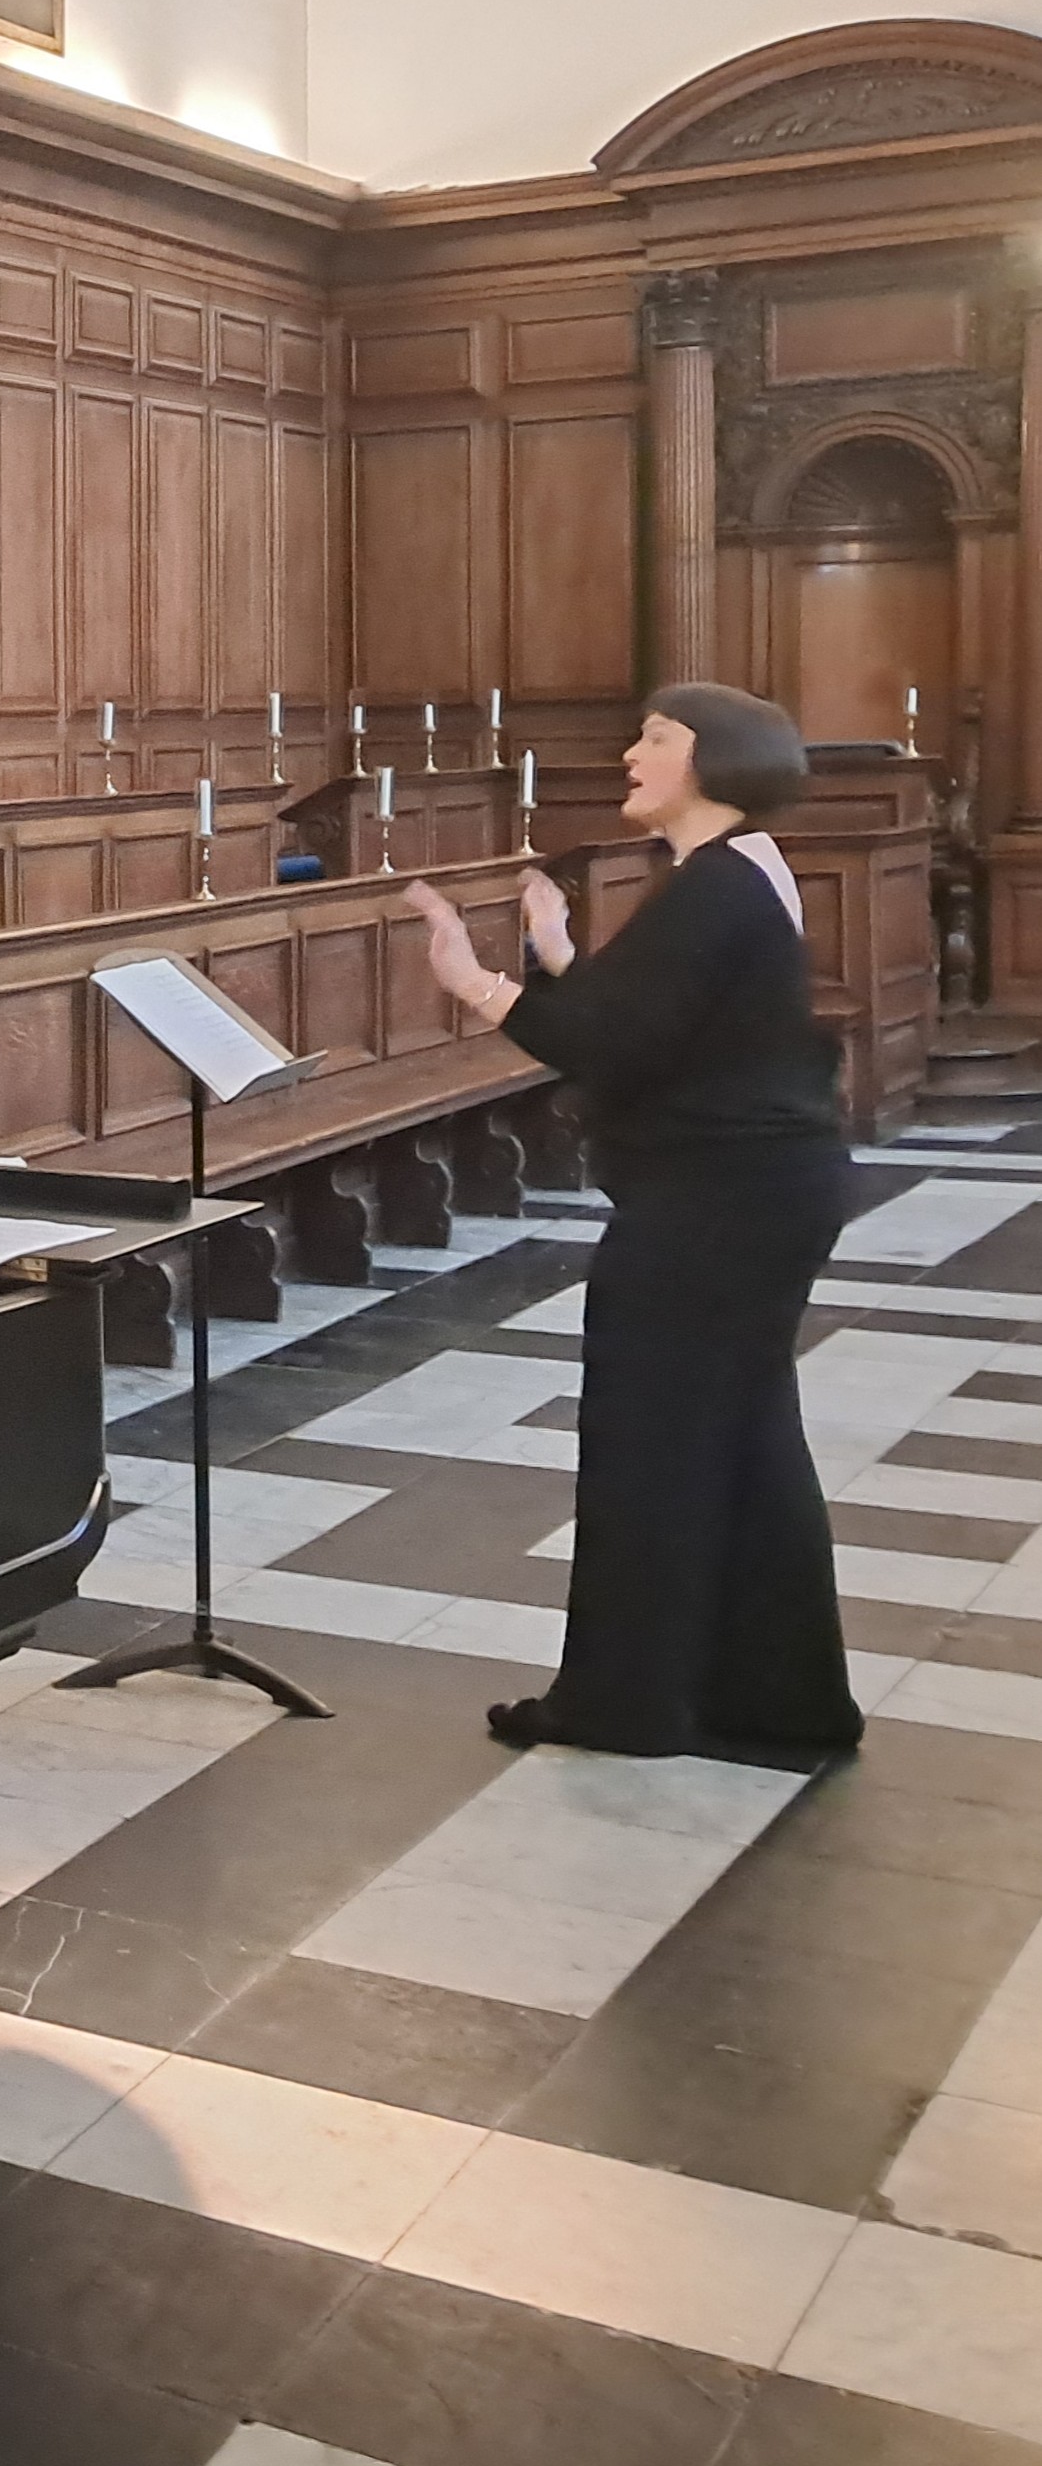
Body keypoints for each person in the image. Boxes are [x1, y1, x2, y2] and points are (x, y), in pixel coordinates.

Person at [405, 685, 859, 1760]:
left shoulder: (716, 883)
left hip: (718, 1199)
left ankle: (627, 1704)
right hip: (752, 1189)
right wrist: (559, 954)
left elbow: (613, 1048)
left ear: (714, 757)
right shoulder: (730, 871)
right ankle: (778, 1698)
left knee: (647, 1438)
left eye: (654, 738)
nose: (628, 753)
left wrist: (471, 981)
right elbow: (659, 1023)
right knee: (736, 1438)